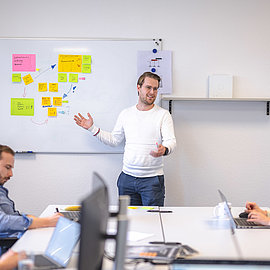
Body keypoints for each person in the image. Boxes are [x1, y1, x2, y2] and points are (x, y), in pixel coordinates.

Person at [74, 72, 176, 206]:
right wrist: (92, 128)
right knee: (129, 221)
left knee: (153, 221)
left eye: (155, 88)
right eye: (148, 87)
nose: (152, 92)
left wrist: (164, 149)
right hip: (127, 179)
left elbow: (171, 141)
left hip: (152, 181)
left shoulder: (163, 115)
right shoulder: (126, 114)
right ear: (139, 87)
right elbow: (114, 140)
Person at [0, 145, 62, 240]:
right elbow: (3, 222)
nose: (11, 174)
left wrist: (34, 219)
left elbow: (10, 215)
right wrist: (47, 221)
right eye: (7, 167)